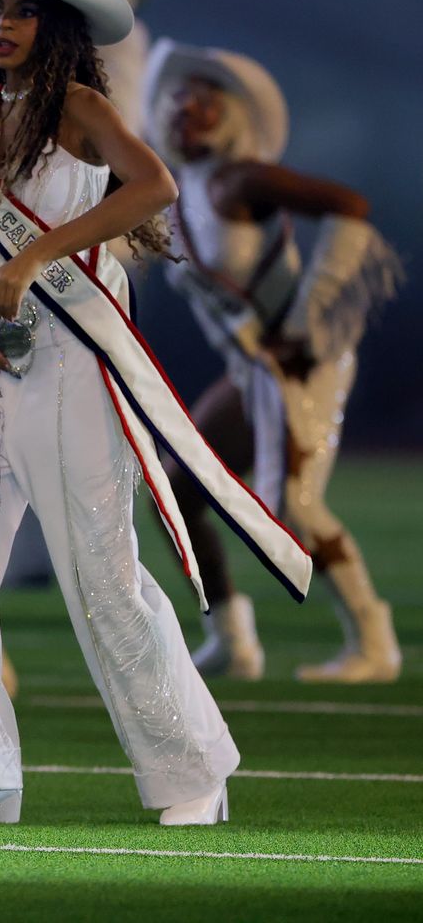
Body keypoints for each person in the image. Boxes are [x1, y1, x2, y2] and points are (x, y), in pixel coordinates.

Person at [0, 0, 312, 828]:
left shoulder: (76, 105)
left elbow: (152, 185)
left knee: (99, 569)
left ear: (58, 24)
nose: (2, 24)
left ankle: (193, 772)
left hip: (75, 349)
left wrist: (36, 255)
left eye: (22, 9)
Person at [143, 40, 401, 683]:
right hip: (250, 372)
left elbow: (352, 207)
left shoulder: (240, 177)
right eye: (179, 98)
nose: (187, 108)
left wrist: (313, 319)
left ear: (232, 115)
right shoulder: (177, 191)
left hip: (298, 368)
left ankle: (375, 643)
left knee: (298, 510)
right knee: (177, 488)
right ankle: (234, 640)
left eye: (206, 100)